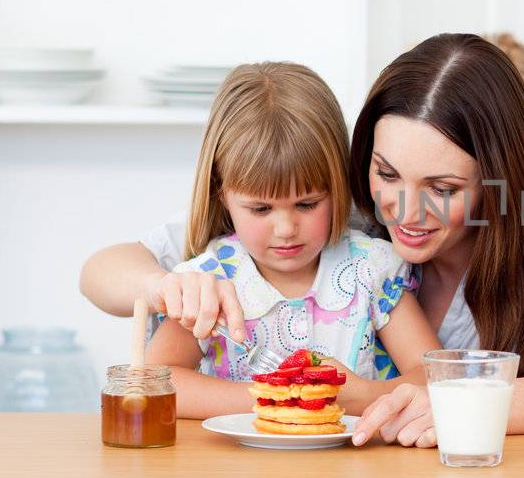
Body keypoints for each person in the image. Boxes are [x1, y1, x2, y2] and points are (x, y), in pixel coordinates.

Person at [80, 34, 524, 445]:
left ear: (500, 180)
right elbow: (112, 272)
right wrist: (163, 287)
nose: (403, 211)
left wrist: (460, 407)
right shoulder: (333, 211)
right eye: (387, 174)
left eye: (442, 187)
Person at [139, 62, 441, 420]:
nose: (285, 229)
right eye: (261, 208)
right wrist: (280, 398)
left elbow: (434, 377)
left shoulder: (372, 270)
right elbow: (154, 381)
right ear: (222, 195)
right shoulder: (208, 282)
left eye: (307, 204)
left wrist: (353, 397)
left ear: (338, 188)